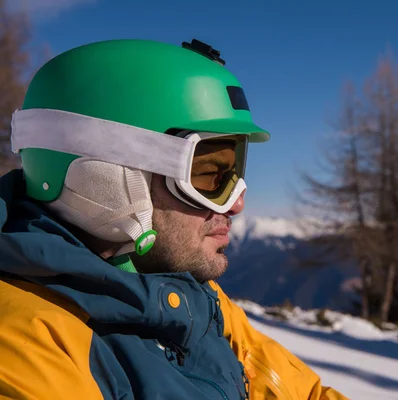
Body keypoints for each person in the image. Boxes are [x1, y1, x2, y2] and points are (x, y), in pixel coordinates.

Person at [0, 38, 348, 400]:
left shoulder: (191, 297)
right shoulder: (25, 344)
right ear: (106, 179)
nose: (237, 204)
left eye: (233, 170)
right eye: (209, 174)